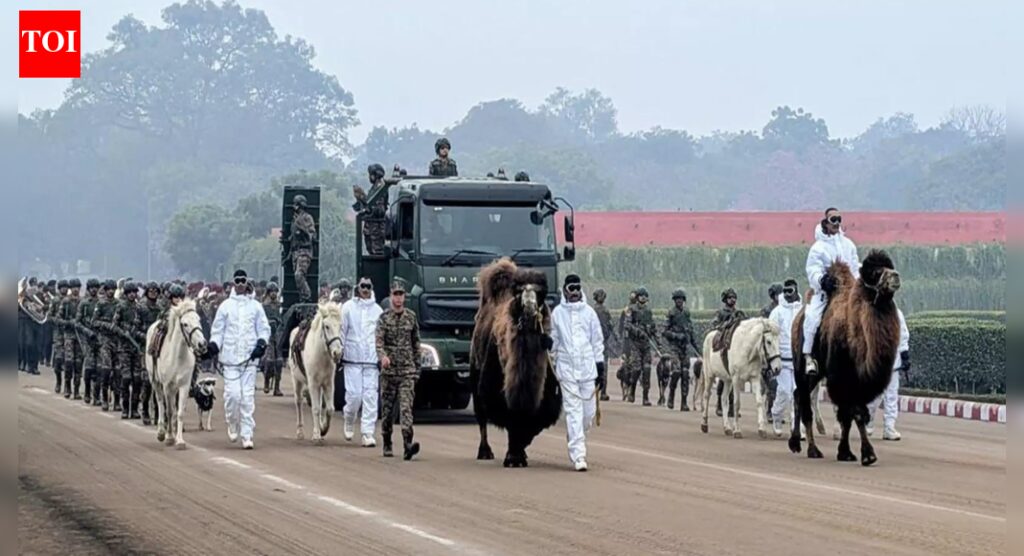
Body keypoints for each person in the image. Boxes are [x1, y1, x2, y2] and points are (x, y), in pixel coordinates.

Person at [208, 270, 270, 449]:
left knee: (247, 398)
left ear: (247, 282)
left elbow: (264, 328)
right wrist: (213, 346)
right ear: (233, 283)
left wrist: (261, 343)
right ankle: (232, 422)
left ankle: (247, 434)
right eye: (238, 280)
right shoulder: (225, 306)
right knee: (233, 396)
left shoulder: (256, 306)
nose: (241, 283)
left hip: (249, 360)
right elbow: (218, 331)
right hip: (229, 359)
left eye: (244, 280)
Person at [550, 274, 604, 472]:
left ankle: (575, 434)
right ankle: (578, 455)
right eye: (570, 288)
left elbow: (597, 341)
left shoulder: (589, 313)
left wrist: (600, 367)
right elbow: (554, 342)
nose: (574, 292)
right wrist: (547, 344)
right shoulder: (557, 313)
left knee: (587, 414)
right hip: (566, 370)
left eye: (577, 288)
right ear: (565, 290)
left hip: (587, 369)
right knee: (574, 412)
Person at [803, 207, 859, 376]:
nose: (837, 223)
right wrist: (822, 280)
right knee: (812, 319)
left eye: (839, 219)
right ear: (826, 223)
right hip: (826, 293)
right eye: (833, 219)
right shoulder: (817, 248)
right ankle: (808, 357)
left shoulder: (848, 245)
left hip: (848, 292)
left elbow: (855, 267)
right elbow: (812, 269)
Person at [376, 279, 421, 460]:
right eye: (395, 295)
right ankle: (387, 441)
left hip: (407, 372)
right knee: (387, 413)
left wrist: (417, 368)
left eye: (401, 295)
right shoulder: (383, 318)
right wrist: (383, 357)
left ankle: (408, 444)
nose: (398, 299)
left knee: (406, 410)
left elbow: (416, 343)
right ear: (390, 296)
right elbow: (378, 342)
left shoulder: (411, 317)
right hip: (389, 373)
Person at [341, 277, 384, 447]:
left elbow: (381, 336)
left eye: (368, 286)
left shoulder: (378, 310)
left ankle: (367, 432)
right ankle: (349, 418)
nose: (365, 289)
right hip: (352, 359)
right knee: (354, 396)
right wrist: (340, 351)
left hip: (371, 361)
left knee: (370, 397)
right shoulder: (348, 308)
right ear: (358, 288)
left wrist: (381, 355)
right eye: (363, 286)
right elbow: (342, 331)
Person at [867, 308, 910, 440]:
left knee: (891, 397)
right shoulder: (871, 312)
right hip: (876, 361)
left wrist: (905, 355)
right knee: (874, 396)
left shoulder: (897, 313)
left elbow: (903, 334)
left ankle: (889, 428)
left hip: (893, 362)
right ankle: (868, 423)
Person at [769, 279, 803, 436]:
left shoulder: (804, 310)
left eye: (791, 291)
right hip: (782, 359)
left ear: (796, 291)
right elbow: (770, 337)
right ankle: (776, 415)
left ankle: (797, 426)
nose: (788, 294)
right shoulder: (777, 312)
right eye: (785, 291)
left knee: (799, 393)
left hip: (798, 359)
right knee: (784, 391)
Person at [710, 288, 746, 416]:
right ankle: (720, 403)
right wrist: (727, 324)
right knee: (724, 378)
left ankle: (732, 407)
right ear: (725, 299)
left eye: (734, 297)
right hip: (724, 346)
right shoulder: (720, 313)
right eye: (730, 297)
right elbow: (714, 325)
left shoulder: (738, 313)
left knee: (735, 380)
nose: (733, 300)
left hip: (736, 346)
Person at [112, 283, 144, 419]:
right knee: (126, 378)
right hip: (123, 348)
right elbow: (114, 325)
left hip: (136, 348)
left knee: (137, 380)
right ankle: (125, 408)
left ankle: (135, 408)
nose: (132, 294)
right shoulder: (121, 307)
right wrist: (122, 333)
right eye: (129, 292)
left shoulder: (139, 308)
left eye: (134, 292)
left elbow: (142, 326)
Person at [663, 289, 697, 412]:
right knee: (676, 372)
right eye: (677, 299)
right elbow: (665, 331)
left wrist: (696, 347)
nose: (679, 301)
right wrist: (676, 336)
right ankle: (671, 395)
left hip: (685, 347)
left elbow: (690, 330)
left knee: (685, 374)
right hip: (674, 347)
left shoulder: (687, 313)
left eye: (681, 299)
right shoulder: (671, 313)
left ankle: (684, 402)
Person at [623, 287, 656, 406]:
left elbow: (653, 327)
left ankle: (645, 397)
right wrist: (638, 331)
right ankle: (632, 390)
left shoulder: (648, 311)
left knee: (647, 369)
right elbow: (627, 325)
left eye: (645, 296)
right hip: (635, 343)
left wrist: (653, 335)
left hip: (646, 344)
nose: (643, 298)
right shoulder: (631, 310)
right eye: (641, 295)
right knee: (636, 369)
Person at [137, 282, 163, 424]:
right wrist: (147, 336)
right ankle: (145, 409)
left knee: (160, 381)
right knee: (147, 382)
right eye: (150, 291)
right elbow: (134, 329)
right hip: (144, 348)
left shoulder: (161, 308)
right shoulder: (141, 308)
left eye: (155, 291)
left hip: (158, 348)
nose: (153, 293)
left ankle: (159, 413)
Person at [92, 280, 120, 412]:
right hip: (104, 340)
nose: (111, 291)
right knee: (106, 370)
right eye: (109, 289)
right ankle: (104, 399)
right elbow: (94, 322)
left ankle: (117, 401)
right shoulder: (101, 304)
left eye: (113, 289)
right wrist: (106, 324)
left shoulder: (119, 304)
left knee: (118, 372)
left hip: (118, 341)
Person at [284, 195, 318, 302]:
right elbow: (293, 240)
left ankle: (307, 297)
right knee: (297, 278)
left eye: (297, 205)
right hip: (295, 251)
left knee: (299, 275)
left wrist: (302, 229)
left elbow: (312, 235)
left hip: (304, 250)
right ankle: (302, 298)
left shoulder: (307, 218)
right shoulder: (295, 220)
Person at [353, 164, 389, 256]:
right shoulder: (374, 188)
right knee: (371, 252)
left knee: (377, 254)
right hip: (371, 227)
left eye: (371, 174)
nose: (369, 177)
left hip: (376, 228)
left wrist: (364, 199)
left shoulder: (381, 189)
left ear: (375, 175)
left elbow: (379, 210)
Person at [760, 283, 784, 421]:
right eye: (778, 294)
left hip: (781, 350)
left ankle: (777, 411)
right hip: (769, 352)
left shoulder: (786, 310)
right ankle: (770, 411)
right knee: (772, 384)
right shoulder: (766, 311)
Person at [77, 279, 102, 405]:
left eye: (95, 287)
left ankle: (96, 395)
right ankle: (87, 391)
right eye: (91, 287)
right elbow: (78, 322)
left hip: (100, 339)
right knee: (89, 367)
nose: (93, 289)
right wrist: (87, 332)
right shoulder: (84, 303)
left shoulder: (101, 303)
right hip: (87, 339)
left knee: (99, 369)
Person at [59, 279, 82, 399]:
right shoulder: (66, 302)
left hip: (80, 337)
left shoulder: (83, 302)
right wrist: (68, 323)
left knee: (78, 364)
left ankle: (77, 389)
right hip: (69, 335)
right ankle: (67, 386)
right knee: (68, 362)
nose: (76, 289)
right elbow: (59, 319)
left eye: (77, 287)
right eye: (73, 287)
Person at [261, 282, 284, 396]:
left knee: (279, 362)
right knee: (269, 361)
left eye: (275, 291)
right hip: (268, 334)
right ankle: (266, 381)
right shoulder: (264, 306)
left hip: (278, 335)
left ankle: (277, 387)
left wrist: (279, 324)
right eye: (272, 291)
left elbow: (282, 320)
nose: (274, 293)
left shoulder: (279, 306)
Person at [591, 289, 615, 401]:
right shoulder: (603, 311)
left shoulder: (591, 310)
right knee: (603, 367)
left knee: (597, 367)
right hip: (600, 342)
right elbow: (611, 326)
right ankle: (602, 392)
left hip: (596, 342)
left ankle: (599, 391)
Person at [47, 280, 68, 393]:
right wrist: (58, 321)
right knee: (58, 359)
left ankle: (67, 385)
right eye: (62, 287)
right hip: (58, 333)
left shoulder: (70, 300)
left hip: (69, 333)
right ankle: (58, 381)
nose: (65, 289)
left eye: (66, 287)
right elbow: (49, 316)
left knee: (69, 361)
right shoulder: (55, 300)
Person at [616, 290, 637, 400]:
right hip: (628, 341)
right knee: (627, 366)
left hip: (632, 341)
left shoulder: (635, 310)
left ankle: (628, 389)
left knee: (632, 366)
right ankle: (626, 388)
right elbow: (621, 326)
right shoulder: (627, 310)